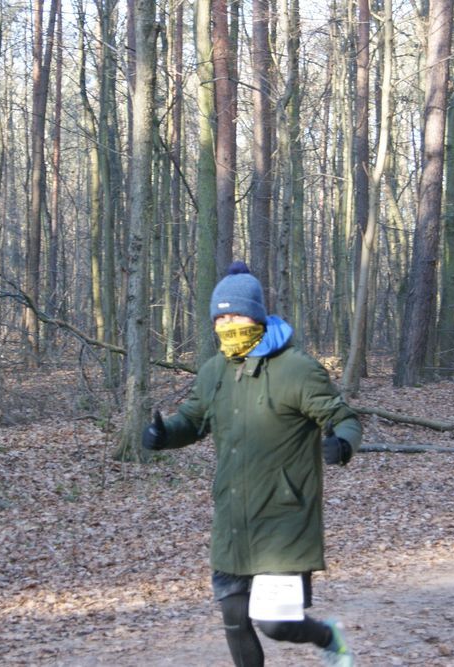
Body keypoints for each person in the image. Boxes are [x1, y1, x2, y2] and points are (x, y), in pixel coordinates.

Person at [142, 261, 363, 667]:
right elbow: (192, 420)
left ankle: (327, 636)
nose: (227, 324)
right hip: (233, 517)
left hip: (283, 519)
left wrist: (342, 444)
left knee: (274, 623)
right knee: (233, 616)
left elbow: (343, 417)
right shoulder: (214, 371)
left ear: (257, 317)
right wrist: (163, 434)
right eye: (220, 318)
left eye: (236, 316)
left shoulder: (296, 369)